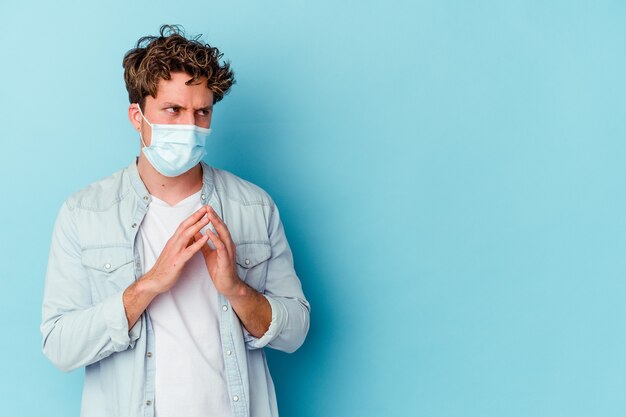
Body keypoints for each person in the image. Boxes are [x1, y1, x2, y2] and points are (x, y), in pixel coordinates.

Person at [40, 24, 310, 417]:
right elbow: (60, 346)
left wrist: (235, 289)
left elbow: (295, 332)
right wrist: (150, 284)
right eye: (173, 110)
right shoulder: (84, 213)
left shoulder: (254, 206)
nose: (190, 126)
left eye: (202, 112)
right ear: (138, 116)